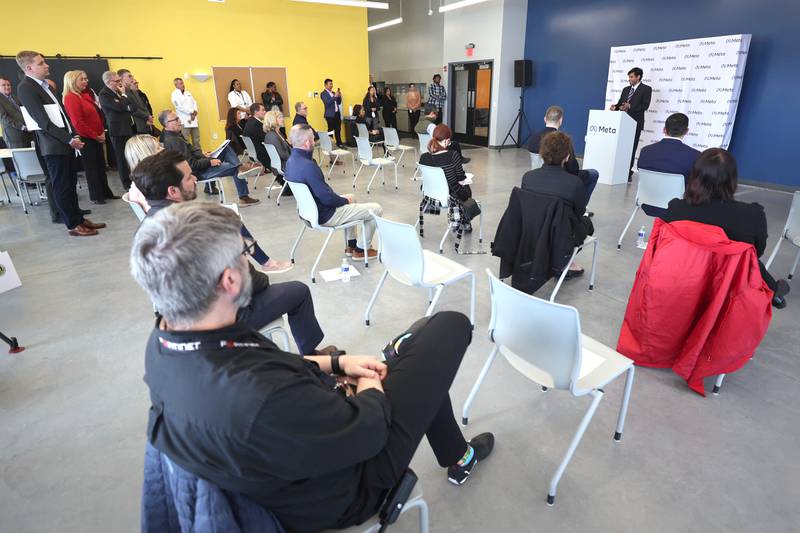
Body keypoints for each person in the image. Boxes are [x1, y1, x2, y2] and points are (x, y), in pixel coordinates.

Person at [131, 200, 494, 531]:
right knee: (448, 326)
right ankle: (407, 366)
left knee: (423, 367)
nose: (249, 261)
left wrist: (336, 361)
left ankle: (456, 451)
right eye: (244, 254)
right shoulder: (259, 398)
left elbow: (265, 365)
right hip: (348, 486)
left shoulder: (166, 341)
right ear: (228, 280)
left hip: (286, 458)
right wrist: (368, 385)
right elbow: (367, 433)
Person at [660, 148, 790, 309]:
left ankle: (773, 290)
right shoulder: (751, 215)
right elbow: (755, 253)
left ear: (695, 176)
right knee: (750, 260)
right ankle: (774, 291)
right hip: (729, 287)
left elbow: (665, 246)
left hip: (682, 277)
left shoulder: (676, 208)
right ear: (732, 179)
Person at [15, 50, 105, 236]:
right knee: (62, 185)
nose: (47, 65)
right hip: (53, 145)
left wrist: (74, 135)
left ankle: (78, 217)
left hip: (64, 142)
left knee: (71, 182)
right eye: (41, 63)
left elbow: (62, 115)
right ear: (29, 68)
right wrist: (69, 138)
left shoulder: (44, 86)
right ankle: (73, 224)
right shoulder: (26, 87)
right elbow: (42, 121)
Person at [285, 124, 383, 259]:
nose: (314, 142)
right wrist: (343, 201)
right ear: (307, 142)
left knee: (351, 197)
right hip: (326, 215)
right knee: (376, 209)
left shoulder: (290, 162)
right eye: (313, 139)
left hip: (307, 213)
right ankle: (362, 250)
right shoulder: (308, 166)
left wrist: (345, 199)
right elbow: (327, 199)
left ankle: (352, 245)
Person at [521, 131, 593, 276]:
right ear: (567, 156)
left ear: (542, 153)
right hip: (560, 237)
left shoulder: (528, 178)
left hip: (531, 232)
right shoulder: (574, 184)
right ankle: (565, 262)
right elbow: (579, 213)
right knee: (587, 224)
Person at [159, 109, 260, 206]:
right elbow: (191, 166)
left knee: (226, 149)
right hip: (198, 172)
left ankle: (235, 171)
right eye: (176, 119)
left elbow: (191, 152)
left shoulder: (174, 136)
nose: (180, 121)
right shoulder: (174, 141)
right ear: (167, 124)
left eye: (178, 118)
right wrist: (209, 162)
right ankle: (244, 197)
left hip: (200, 164)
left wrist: (204, 155)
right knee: (234, 168)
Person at [62, 70, 117, 204]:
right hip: (87, 137)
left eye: (86, 79)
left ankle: (106, 193)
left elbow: (97, 115)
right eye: (82, 79)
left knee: (100, 166)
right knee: (92, 168)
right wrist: (95, 136)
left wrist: (101, 132)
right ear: (73, 81)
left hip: (97, 135)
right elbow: (78, 122)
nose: (86, 81)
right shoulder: (71, 97)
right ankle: (97, 195)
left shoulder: (85, 95)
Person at [527, 105, 599, 203]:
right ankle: (581, 208)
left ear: (545, 119)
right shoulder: (562, 141)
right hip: (559, 181)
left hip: (537, 177)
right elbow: (573, 169)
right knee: (593, 174)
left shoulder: (533, 138)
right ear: (560, 120)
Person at [419, 124, 475, 232]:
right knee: (466, 189)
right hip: (449, 197)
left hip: (430, 195)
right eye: (449, 142)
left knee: (456, 188)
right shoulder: (453, 155)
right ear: (446, 141)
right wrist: (465, 180)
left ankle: (459, 219)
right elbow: (460, 178)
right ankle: (463, 222)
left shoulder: (424, 157)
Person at [609, 67, 652, 181]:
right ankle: (618, 169)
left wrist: (631, 106)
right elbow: (620, 104)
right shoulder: (625, 89)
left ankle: (627, 173)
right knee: (620, 147)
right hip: (622, 123)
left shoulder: (646, 89)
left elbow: (645, 106)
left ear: (638, 77)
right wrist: (615, 107)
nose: (629, 79)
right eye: (629, 77)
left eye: (631, 77)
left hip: (635, 123)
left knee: (631, 148)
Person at [637, 112, 701, 186]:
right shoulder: (695, 155)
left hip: (647, 196)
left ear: (664, 129)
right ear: (686, 131)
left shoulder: (645, 151)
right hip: (678, 197)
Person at [98, 70, 135, 189]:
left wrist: (123, 99)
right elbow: (119, 107)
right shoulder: (104, 94)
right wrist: (124, 97)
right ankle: (126, 183)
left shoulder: (117, 91)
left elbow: (128, 105)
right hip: (117, 130)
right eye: (117, 81)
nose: (120, 83)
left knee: (129, 156)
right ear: (109, 82)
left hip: (127, 127)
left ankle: (132, 179)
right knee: (121, 157)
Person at [124, 134, 162, 212]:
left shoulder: (150, 178)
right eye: (158, 148)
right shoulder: (148, 185)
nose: (163, 149)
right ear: (146, 155)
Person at [0, 77, 33, 148]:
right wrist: (23, 127)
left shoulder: (15, 97)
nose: (7, 87)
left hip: (29, 134)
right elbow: (4, 118)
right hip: (15, 138)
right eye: (3, 85)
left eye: (8, 85)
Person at [118, 69, 153, 135]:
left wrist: (149, 116)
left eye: (132, 76)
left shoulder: (133, 91)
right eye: (129, 76)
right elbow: (133, 109)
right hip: (138, 125)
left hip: (145, 123)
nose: (132, 78)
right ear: (121, 78)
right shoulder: (123, 93)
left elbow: (143, 105)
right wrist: (147, 117)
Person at [170, 77, 201, 151]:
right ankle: (189, 157)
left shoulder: (188, 93)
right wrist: (191, 112)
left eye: (182, 83)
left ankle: (200, 156)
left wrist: (195, 111)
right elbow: (179, 107)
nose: (183, 85)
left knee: (196, 139)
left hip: (194, 119)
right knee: (186, 140)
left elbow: (194, 102)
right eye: (180, 83)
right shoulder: (174, 94)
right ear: (176, 85)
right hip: (184, 120)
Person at [321, 78, 344, 148]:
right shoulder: (323, 94)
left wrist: (339, 96)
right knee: (330, 130)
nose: (331, 85)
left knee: (338, 129)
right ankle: (330, 145)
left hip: (337, 114)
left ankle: (339, 143)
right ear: (325, 85)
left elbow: (339, 102)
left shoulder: (334, 93)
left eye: (332, 84)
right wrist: (335, 97)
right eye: (330, 84)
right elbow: (327, 103)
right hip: (330, 115)